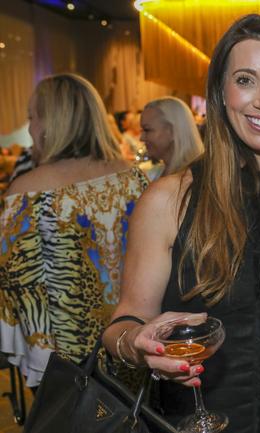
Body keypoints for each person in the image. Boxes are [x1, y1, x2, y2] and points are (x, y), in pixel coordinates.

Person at [102, 14, 260, 432]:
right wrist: (137, 345)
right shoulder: (169, 200)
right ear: (220, 93)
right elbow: (124, 321)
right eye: (245, 80)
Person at [0, 73, 149, 389]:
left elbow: (14, 286)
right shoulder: (134, 178)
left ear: (52, 122)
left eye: (33, 117)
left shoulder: (27, 192)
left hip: (69, 363)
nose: (30, 128)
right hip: (137, 339)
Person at [140, 96, 205, 177]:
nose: (141, 138)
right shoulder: (153, 174)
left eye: (147, 130)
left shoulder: (195, 177)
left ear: (172, 131)